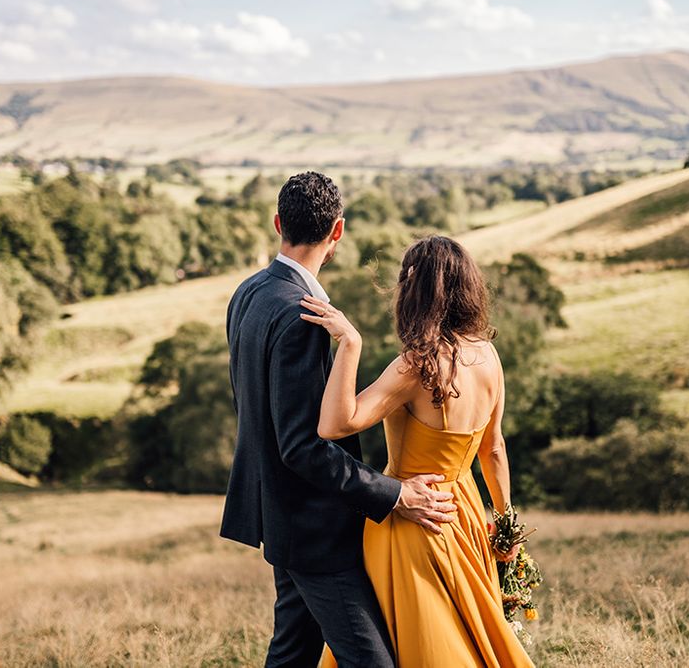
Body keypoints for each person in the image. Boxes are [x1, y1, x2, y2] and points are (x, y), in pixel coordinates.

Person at [220, 172, 457, 668]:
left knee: (292, 652)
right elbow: (302, 446)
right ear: (338, 232)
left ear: (278, 222)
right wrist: (395, 495)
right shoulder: (303, 315)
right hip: (314, 529)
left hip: (279, 512)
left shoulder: (248, 292)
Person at [303, 235, 535, 668]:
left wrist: (349, 344)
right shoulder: (489, 356)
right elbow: (495, 450)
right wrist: (505, 530)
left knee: (422, 643)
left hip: (411, 516)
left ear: (414, 291)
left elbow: (335, 424)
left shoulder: (416, 365)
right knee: (466, 635)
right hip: (464, 514)